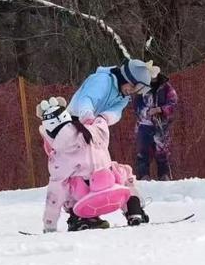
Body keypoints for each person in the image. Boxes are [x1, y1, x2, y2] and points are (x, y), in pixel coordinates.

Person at [37, 97, 148, 232]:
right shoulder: (94, 130)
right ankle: (134, 210)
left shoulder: (59, 156)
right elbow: (103, 121)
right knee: (122, 171)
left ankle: (81, 219)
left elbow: (54, 194)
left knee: (65, 184)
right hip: (114, 192)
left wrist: (49, 225)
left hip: (85, 203)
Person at [68, 58, 156, 126]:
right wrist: (87, 116)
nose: (131, 92)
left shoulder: (123, 97)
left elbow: (116, 112)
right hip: (72, 119)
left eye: (136, 90)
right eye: (132, 87)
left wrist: (103, 118)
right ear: (126, 78)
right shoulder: (103, 80)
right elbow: (87, 98)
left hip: (90, 126)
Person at [133, 70, 178, 180]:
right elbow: (136, 106)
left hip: (162, 125)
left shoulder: (166, 87)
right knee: (143, 153)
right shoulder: (141, 87)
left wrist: (161, 110)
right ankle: (144, 177)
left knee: (162, 153)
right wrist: (147, 112)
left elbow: (173, 103)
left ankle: (164, 177)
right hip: (144, 125)